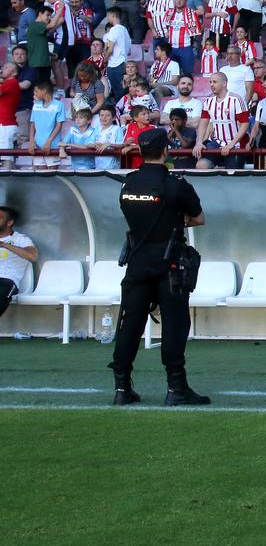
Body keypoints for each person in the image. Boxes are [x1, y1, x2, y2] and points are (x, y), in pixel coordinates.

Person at [109, 128, 208, 406]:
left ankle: (121, 387)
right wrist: (176, 221)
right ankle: (176, 388)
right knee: (175, 324)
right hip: (169, 262)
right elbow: (198, 219)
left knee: (131, 323)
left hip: (138, 260)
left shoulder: (128, 184)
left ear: (140, 151)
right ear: (166, 151)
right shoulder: (176, 184)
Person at [0, 205, 37, 320]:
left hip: (6, 282)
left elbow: (33, 256)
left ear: (9, 222)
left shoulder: (21, 239)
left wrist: (4, 245)